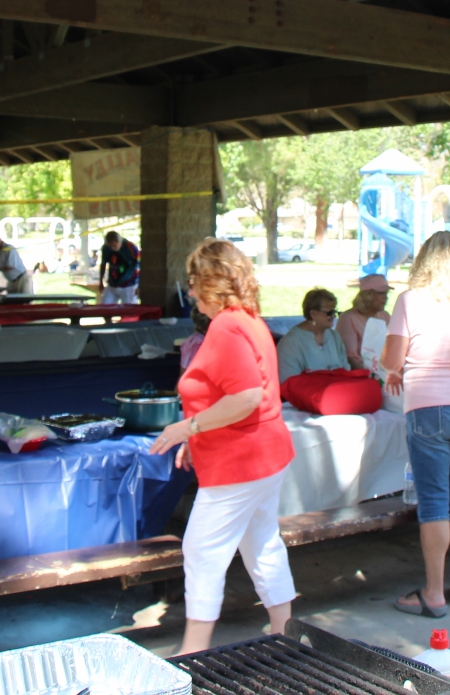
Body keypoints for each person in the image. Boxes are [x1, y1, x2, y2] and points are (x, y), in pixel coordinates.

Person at [149, 239, 296, 654]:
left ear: (214, 282)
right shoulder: (248, 319)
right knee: (262, 541)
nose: (191, 293)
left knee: (202, 548)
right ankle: (285, 630)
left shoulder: (228, 326)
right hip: (264, 454)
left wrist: (188, 427)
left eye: (195, 283)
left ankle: (194, 650)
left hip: (242, 459)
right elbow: (235, 394)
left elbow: (246, 396)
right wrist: (198, 436)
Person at [383, 231, 450, 618]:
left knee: (435, 501)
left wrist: (395, 369)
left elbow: (392, 357)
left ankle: (434, 592)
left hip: (425, 406)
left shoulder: (409, 300)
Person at [276, 288, 349, 384]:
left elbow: (346, 370)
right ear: (313, 314)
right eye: (329, 313)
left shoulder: (334, 337)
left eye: (335, 312)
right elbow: (289, 382)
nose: (334, 316)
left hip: (336, 393)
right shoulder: (290, 343)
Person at [337, 274, 391, 365]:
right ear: (368, 296)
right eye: (381, 293)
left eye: (386, 293)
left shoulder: (384, 316)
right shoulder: (348, 318)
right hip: (360, 374)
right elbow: (351, 358)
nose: (385, 297)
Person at [98, 230, 140, 305]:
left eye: (114, 246)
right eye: (110, 246)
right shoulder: (106, 248)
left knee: (128, 311)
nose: (112, 248)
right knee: (105, 307)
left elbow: (140, 266)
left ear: (119, 241)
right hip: (112, 284)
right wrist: (101, 281)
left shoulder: (131, 248)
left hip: (129, 284)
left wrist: (140, 286)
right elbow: (103, 264)